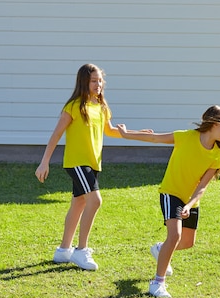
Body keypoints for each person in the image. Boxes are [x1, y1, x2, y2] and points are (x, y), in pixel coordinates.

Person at [117, 105, 220, 298]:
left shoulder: (217, 155)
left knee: (187, 242)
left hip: (190, 201)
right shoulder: (185, 137)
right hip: (171, 192)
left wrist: (189, 205)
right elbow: (155, 138)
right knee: (175, 236)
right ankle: (157, 283)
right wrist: (125, 134)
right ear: (215, 124)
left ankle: (160, 249)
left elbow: (203, 187)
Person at [35, 63, 145, 271]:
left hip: (93, 162)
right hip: (77, 162)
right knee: (95, 201)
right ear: (84, 82)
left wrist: (135, 132)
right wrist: (44, 161)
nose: (98, 84)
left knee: (79, 203)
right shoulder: (75, 106)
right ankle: (81, 250)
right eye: (94, 81)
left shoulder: (101, 106)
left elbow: (110, 130)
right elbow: (57, 134)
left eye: (100, 80)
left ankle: (63, 250)